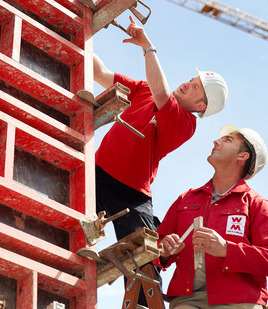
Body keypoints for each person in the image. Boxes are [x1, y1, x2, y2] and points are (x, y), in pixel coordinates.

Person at [93, 16, 228, 244]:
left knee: (145, 258)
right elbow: (100, 73)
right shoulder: (144, 89)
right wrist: (78, 28)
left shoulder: (185, 123)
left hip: (132, 194)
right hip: (98, 172)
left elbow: (162, 94)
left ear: (200, 106)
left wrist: (147, 46)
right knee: (66, 219)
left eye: (195, 87)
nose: (186, 83)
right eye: (190, 79)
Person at [155, 125, 268, 309]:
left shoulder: (257, 204)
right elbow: (156, 247)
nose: (216, 141)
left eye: (228, 140)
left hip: (238, 300)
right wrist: (165, 251)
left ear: (243, 156)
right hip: (186, 300)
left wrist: (226, 249)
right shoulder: (186, 199)